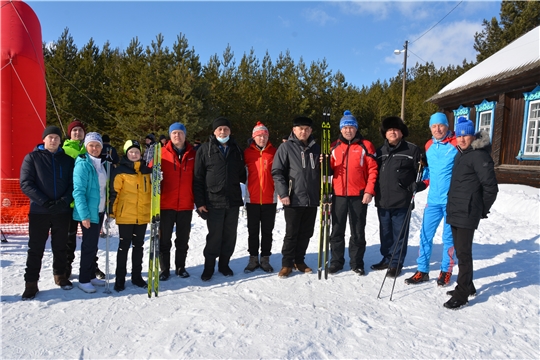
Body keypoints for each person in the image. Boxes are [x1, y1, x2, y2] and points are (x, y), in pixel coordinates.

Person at [444, 117, 498, 309]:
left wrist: (480, 209)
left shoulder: (479, 156)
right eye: (459, 135)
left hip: (467, 212)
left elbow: (491, 188)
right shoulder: (461, 154)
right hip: (456, 210)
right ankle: (468, 284)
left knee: (464, 254)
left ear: (473, 135)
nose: (462, 139)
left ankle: (462, 294)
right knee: (459, 251)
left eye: (465, 135)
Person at [19, 126, 75, 300]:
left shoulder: (67, 160)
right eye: (50, 137)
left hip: (62, 210)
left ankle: (60, 275)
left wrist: (64, 201)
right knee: (36, 248)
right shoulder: (32, 158)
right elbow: (26, 183)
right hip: (39, 211)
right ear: (44, 139)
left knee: (60, 245)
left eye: (56, 138)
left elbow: (73, 183)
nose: (53, 140)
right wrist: (45, 202)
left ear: (60, 140)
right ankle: (31, 283)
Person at [405, 112, 458, 287]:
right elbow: (429, 172)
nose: (438, 129)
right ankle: (422, 270)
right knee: (425, 235)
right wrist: (421, 184)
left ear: (447, 126)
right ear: (430, 128)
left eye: (441, 125)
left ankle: (446, 270)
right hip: (433, 200)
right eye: (434, 126)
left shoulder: (457, 143)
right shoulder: (428, 146)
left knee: (448, 237)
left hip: (451, 200)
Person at [193, 117, 246, 281]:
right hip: (213, 201)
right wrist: (200, 202)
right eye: (219, 129)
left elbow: (242, 174)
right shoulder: (205, 149)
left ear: (230, 131)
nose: (223, 132)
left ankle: (224, 265)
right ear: (214, 131)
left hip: (232, 200)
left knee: (230, 236)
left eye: (226, 129)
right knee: (214, 236)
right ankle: (209, 267)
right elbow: (198, 178)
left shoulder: (236, 148)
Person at [328, 111, 378, 276]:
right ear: (341, 129)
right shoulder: (334, 146)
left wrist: (369, 190)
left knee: (357, 231)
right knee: (337, 230)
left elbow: (373, 170)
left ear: (356, 129)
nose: (348, 130)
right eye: (345, 127)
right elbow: (328, 171)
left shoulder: (366, 145)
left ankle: (357, 263)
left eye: (351, 127)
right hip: (338, 195)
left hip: (359, 195)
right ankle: (336, 261)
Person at [371, 116, 422, 278]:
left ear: (401, 132)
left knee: (399, 233)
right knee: (385, 232)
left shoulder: (412, 150)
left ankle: (396, 263)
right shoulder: (379, 152)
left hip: (402, 200)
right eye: (389, 130)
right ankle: (386, 258)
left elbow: (424, 172)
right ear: (385, 133)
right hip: (383, 200)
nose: (392, 132)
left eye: (396, 129)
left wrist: (418, 185)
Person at [272, 116, 320, 278]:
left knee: (306, 233)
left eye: (307, 129)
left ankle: (299, 260)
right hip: (293, 198)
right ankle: (286, 264)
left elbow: (324, 173)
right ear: (294, 130)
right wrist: (284, 193)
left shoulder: (316, 148)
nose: (303, 131)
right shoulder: (286, 148)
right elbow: (277, 172)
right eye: (300, 128)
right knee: (292, 233)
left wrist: (325, 163)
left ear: (311, 131)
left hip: (312, 198)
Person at [62, 119, 105, 279]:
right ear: (69, 133)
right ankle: (66, 269)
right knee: (70, 240)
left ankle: (91, 268)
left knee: (90, 240)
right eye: (74, 131)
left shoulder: (88, 150)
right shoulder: (65, 150)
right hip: (71, 202)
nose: (77, 133)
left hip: (89, 203)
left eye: (80, 130)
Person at [108, 140, 151, 291]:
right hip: (125, 215)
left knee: (138, 246)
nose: (134, 154)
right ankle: (120, 278)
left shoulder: (146, 171)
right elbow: (114, 193)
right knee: (123, 246)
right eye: (131, 152)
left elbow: (153, 193)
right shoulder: (120, 171)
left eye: (137, 152)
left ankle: (137, 276)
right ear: (126, 153)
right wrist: (111, 212)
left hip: (142, 215)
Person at [159, 122, 196, 280]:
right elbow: (150, 177)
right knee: (164, 239)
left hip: (186, 204)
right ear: (170, 135)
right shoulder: (160, 153)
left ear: (185, 135)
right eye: (174, 133)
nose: (177, 135)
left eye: (180, 133)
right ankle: (164, 269)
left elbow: (199, 178)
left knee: (183, 239)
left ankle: (180, 267)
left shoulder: (193, 154)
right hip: (166, 204)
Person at [72, 132, 108, 293]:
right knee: (88, 246)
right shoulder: (83, 164)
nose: (94, 148)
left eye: (97, 145)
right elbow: (78, 191)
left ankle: (91, 274)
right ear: (86, 147)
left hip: (99, 211)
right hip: (89, 213)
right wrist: (84, 215)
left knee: (93, 246)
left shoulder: (101, 163)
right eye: (91, 145)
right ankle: (84, 279)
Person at [243, 121, 277, 273]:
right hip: (253, 198)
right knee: (253, 230)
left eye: (264, 136)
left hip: (270, 198)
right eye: (259, 136)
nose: (262, 138)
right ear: (253, 137)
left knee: (268, 231)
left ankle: (265, 258)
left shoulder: (274, 152)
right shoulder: (247, 153)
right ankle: (252, 258)